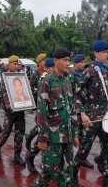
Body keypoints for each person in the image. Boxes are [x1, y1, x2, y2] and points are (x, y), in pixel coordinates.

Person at [73, 40, 108, 187]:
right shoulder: (89, 70)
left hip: (105, 118)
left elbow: (105, 93)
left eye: (107, 52)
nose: (106, 55)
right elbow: (77, 94)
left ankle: (106, 176)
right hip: (92, 118)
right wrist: (82, 114)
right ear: (95, 53)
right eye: (103, 52)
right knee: (84, 149)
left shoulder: (105, 71)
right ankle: (73, 173)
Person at [30, 48, 80, 187]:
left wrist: (75, 134)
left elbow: (72, 110)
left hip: (67, 137)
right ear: (56, 61)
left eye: (69, 60)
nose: (67, 63)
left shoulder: (68, 81)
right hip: (53, 138)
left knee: (67, 172)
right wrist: (43, 139)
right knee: (48, 173)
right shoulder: (47, 82)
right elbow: (41, 112)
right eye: (64, 60)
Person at [0, 55, 26, 166]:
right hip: (10, 111)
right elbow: (5, 94)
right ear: (10, 64)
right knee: (6, 132)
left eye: (18, 64)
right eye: (14, 64)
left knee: (20, 133)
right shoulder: (5, 77)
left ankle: (17, 156)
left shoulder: (20, 76)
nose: (16, 66)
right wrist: (10, 107)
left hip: (20, 109)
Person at [26, 58, 54, 174]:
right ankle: (30, 156)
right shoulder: (44, 80)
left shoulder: (60, 79)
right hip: (44, 115)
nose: (54, 69)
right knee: (41, 140)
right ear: (47, 68)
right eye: (51, 67)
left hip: (55, 117)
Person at [69, 54, 97, 173]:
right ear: (75, 64)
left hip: (85, 108)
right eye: (80, 62)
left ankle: (82, 158)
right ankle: (73, 159)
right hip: (76, 109)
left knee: (84, 135)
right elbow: (72, 94)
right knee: (76, 134)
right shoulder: (72, 76)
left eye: (83, 61)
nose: (82, 64)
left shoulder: (85, 73)